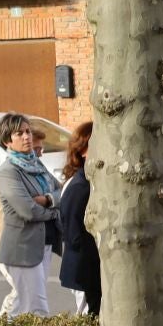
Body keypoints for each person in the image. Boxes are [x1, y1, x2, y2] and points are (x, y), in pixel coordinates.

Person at [0, 113, 59, 315]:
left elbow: (61, 190)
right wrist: (54, 213)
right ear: (7, 141)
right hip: (22, 247)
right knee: (36, 307)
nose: (26, 137)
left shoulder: (36, 163)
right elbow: (27, 210)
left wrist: (48, 200)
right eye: (19, 133)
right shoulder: (8, 172)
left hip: (43, 243)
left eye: (28, 131)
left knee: (23, 305)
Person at [58, 121, 101, 315]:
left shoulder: (88, 181)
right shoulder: (80, 186)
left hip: (89, 267)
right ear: (83, 151)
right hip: (84, 269)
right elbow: (73, 234)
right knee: (88, 319)